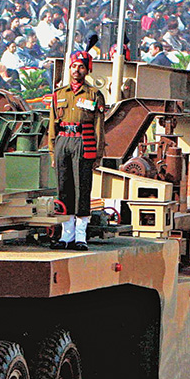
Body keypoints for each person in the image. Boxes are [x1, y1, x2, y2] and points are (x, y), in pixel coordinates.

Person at [47, 49, 106, 251]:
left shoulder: (94, 94)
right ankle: (66, 236)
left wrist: (98, 154)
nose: (76, 70)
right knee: (64, 187)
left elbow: (99, 125)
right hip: (63, 141)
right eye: (73, 66)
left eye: (81, 67)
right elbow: (52, 126)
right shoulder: (59, 94)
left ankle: (80, 237)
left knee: (82, 188)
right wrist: (52, 151)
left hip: (83, 142)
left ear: (87, 70)